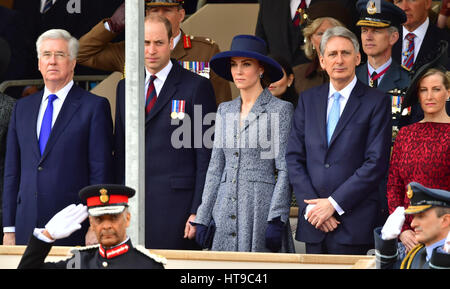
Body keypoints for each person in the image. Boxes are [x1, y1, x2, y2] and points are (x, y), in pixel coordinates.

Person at [2, 29, 114, 246]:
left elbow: (101, 171)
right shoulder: (22, 108)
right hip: (25, 227)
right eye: (46, 55)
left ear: (72, 62)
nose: (52, 61)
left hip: (74, 228)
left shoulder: (94, 107)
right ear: (38, 63)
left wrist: (96, 223)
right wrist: (9, 229)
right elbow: (12, 172)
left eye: (60, 55)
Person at [286, 26, 391, 255]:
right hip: (314, 223)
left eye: (345, 53)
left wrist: (332, 204)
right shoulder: (307, 100)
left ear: (358, 58)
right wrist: (315, 208)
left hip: (354, 224)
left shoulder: (376, 101)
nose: (339, 60)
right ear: (322, 61)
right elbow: (294, 157)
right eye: (332, 54)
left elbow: (376, 163)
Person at [114, 15, 216, 250]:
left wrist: (198, 210)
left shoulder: (196, 87)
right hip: (132, 206)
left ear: (171, 43)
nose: (151, 50)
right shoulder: (124, 88)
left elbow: (205, 157)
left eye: (158, 43)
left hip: (177, 210)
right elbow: (119, 153)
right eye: (145, 42)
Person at [193, 35, 295, 253]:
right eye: (234, 65)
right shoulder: (224, 109)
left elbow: (284, 169)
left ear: (261, 69)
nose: (238, 71)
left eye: (246, 64)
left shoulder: (280, 109)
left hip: (260, 208)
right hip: (223, 207)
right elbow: (215, 167)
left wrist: (277, 217)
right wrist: (203, 215)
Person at [77, 0, 231, 106]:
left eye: (167, 10)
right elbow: (79, 54)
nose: (160, 15)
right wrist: (112, 26)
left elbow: (220, 105)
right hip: (140, 144)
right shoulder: (131, 50)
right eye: (154, 10)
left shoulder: (205, 51)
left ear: (181, 15)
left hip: (184, 142)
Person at [17, 184, 166, 269]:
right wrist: (47, 236)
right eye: (99, 220)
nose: (106, 226)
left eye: (113, 218)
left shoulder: (148, 266)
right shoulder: (79, 262)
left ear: (127, 219)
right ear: (91, 224)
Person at [387, 60, 450, 256]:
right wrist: (403, 230)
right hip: (408, 239)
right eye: (423, 90)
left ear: (448, 92)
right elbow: (394, 186)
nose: (429, 96)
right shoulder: (405, 135)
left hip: (445, 238)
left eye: (436, 89)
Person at [374, 182, 450, 269]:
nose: (412, 224)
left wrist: (444, 261)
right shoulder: (416, 255)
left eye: (421, 216)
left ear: (445, 220)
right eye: (413, 217)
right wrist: (386, 245)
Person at [292, 1, 349, 94]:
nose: (326, 39)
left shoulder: (356, 74)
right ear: (311, 39)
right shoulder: (297, 76)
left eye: (331, 33)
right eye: (320, 34)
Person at [392, 0, 450, 73]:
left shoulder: (446, 43)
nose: (404, 8)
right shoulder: (383, 40)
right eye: (399, 1)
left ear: (427, 3)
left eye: (411, 0)